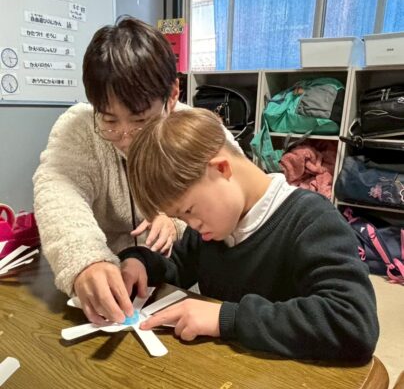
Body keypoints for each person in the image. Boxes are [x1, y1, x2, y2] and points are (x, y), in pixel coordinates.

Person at [119, 108, 379, 361]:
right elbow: (176, 267)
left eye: (188, 210)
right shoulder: (212, 227)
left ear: (221, 169)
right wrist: (140, 263)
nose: (191, 224)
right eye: (181, 217)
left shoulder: (312, 221)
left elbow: (353, 324)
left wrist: (226, 318)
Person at [33, 16, 241, 326]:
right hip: (105, 282)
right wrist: (86, 260)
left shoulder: (197, 131)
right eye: (109, 120)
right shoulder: (78, 127)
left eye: (141, 120)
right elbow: (58, 191)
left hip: (172, 282)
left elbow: (234, 202)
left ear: (173, 93)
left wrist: (175, 221)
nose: (126, 137)